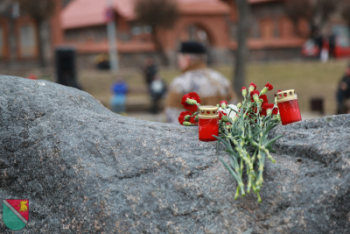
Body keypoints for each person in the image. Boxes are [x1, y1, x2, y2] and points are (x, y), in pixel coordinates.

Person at [165, 41, 236, 124]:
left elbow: (173, 119)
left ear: (187, 59)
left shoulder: (180, 83)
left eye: (179, 59)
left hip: (194, 135)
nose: (178, 63)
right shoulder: (222, 79)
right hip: (221, 135)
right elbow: (233, 111)